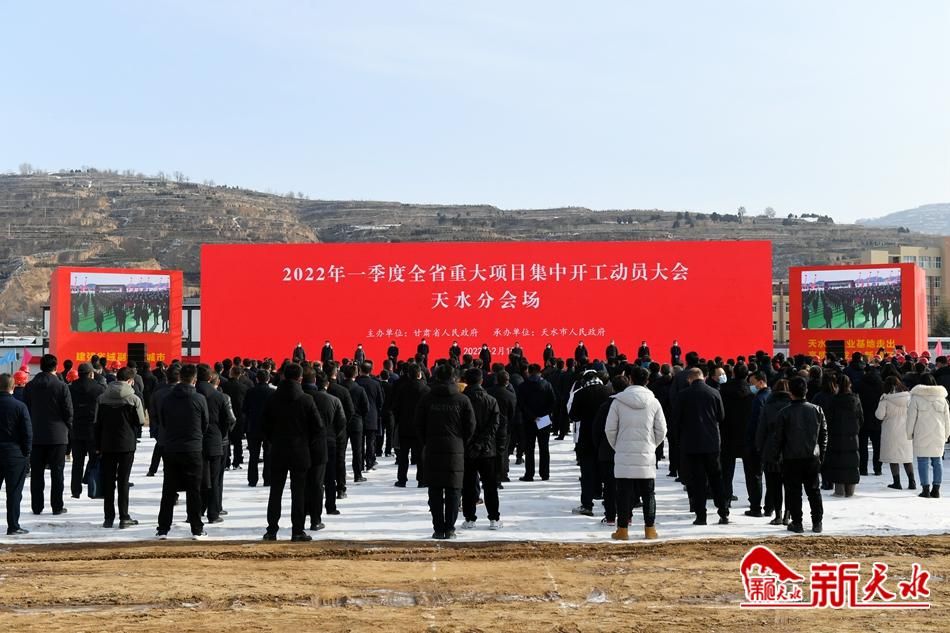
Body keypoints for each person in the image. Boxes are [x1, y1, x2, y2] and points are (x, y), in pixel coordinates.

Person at [262, 363, 323, 541]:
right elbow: (318, 427)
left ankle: (271, 530)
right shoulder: (306, 400)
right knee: (299, 493)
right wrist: (306, 441)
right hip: (300, 451)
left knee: (275, 492)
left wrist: (274, 440)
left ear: (283, 376)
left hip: (278, 450)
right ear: (300, 378)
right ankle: (297, 530)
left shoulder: (273, 398)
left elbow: (264, 425)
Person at [605, 366, 666, 540]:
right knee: (648, 494)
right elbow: (662, 430)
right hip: (646, 454)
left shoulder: (618, 401)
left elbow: (610, 429)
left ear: (630, 379)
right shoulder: (654, 402)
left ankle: (622, 530)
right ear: (647, 381)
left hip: (624, 453)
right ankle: (650, 529)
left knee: (623, 494)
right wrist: (652, 445)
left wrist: (618, 446)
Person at [415, 363, 476, 539]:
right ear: (454, 378)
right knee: (453, 491)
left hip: (433, 448)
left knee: (434, 490)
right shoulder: (462, 400)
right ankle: (449, 528)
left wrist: (426, 441)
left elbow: (418, 424)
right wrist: (461, 442)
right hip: (455, 449)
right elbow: (471, 426)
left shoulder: (427, 399)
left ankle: (438, 528)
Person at [672, 367, 729, 526]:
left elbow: (676, 420)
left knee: (697, 480)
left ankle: (701, 516)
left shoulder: (683, 395)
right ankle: (723, 512)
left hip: (691, 444)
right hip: (712, 442)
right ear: (703, 377)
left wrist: (679, 440)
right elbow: (721, 416)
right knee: (716, 478)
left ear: (689, 379)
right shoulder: (714, 393)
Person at [157, 364, 209, 539]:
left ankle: (163, 528)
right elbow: (205, 424)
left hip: (171, 448)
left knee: (168, 490)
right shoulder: (199, 399)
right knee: (194, 490)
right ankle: (197, 528)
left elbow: (163, 422)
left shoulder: (167, 398)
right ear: (194, 379)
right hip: (193, 448)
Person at [773, 377, 827, 534]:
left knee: (794, 492)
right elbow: (824, 434)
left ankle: (797, 522)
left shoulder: (784, 413)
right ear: (806, 391)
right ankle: (817, 522)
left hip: (791, 458)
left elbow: (778, 438)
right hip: (812, 456)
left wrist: (776, 456)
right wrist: (821, 454)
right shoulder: (817, 410)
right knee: (814, 491)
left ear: (790, 393)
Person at [94, 367, 145, 528]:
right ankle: (124, 517)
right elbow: (140, 421)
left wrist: (97, 445)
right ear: (130, 381)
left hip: (107, 444)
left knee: (108, 481)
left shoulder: (102, 398)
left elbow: (97, 423)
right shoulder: (134, 399)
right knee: (123, 481)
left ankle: (108, 518)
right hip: (126, 445)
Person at [24, 354, 73, 516]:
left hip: (36, 435)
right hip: (58, 436)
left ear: (40, 366)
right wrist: (68, 429)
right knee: (57, 473)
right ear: (55, 367)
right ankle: (57, 506)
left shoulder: (30, 386)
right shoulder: (61, 386)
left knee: (37, 474)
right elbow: (68, 412)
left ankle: (37, 506)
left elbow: (26, 410)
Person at [460, 368, 502, 530]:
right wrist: (482, 443)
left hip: (467, 449)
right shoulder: (491, 401)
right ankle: (494, 518)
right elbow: (494, 426)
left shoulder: (461, 400)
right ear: (481, 381)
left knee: (468, 485)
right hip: (487, 450)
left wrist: (472, 443)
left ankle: (470, 518)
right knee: (490, 486)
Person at [569, 369, 614, 516]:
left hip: (586, 437)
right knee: (607, 473)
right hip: (605, 437)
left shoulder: (580, 393)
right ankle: (609, 503)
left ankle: (587, 504)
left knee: (587, 473)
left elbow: (573, 416)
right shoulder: (609, 393)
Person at [196, 365, 233, 524]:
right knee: (214, 479)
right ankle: (213, 512)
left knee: (196, 480)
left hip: (195, 442)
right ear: (210, 378)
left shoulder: (193, 393)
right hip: (214, 440)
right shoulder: (219, 396)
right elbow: (229, 420)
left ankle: (196, 512)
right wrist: (221, 434)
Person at [906, 374, 950, 499]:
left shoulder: (916, 398)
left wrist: (909, 434)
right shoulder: (942, 399)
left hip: (921, 433)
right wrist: (946, 435)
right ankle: (936, 490)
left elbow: (911, 418)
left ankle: (925, 490)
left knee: (922, 461)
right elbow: (947, 420)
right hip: (938, 433)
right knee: (937, 461)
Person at [755, 379, 792, 526]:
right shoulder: (792, 405)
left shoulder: (768, 406)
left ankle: (778, 515)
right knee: (790, 485)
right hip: (790, 449)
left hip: (771, 448)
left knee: (774, 485)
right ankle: (788, 514)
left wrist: (760, 447)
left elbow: (761, 429)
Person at [0, 373, 32, 535]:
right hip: (15, 453)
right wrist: (26, 453)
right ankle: (13, 525)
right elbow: (27, 432)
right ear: (13, 387)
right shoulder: (20, 406)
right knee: (14, 492)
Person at [312, 369, 346, 517]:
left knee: (313, 477)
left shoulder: (308, 399)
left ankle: (311, 507)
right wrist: (335, 435)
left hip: (312, 441)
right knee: (330, 476)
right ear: (327, 385)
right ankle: (330, 506)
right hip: (330, 440)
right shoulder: (334, 400)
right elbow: (342, 421)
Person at [300, 368, 331, 531]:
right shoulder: (325, 398)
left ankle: (301, 516)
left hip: (299, 446)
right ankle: (315, 519)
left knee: (300, 483)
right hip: (319, 445)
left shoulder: (296, 398)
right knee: (317, 484)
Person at [68, 363, 105, 499]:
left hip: (76, 429)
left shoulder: (70, 388)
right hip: (93, 430)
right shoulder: (99, 388)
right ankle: (93, 488)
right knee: (95, 460)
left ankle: (75, 490)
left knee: (77, 462)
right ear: (91, 373)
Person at [719, 364, 753, 508]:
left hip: (727, 433)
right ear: (747, 375)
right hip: (747, 434)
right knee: (751, 471)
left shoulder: (723, 390)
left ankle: (726, 499)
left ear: (733, 373)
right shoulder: (751, 392)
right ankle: (754, 501)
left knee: (726, 470)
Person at [516, 364, 556, 482]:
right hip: (544, 419)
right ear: (540, 372)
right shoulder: (547, 384)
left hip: (529, 421)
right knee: (544, 447)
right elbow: (553, 402)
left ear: (529, 372)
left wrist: (532, 416)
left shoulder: (523, 386)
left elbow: (521, 404)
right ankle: (545, 473)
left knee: (529, 448)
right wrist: (544, 415)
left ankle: (529, 474)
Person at [392, 363, 430, 487]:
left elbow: (395, 407)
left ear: (408, 374)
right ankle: (422, 479)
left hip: (404, 425)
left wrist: (399, 420)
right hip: (421, 427)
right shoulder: (426, 389)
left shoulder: (402, 388)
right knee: (420, 455)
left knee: (403, 455)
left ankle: (402, 479)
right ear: (420, 374)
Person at [825, 375, 863, 497]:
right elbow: (861, 419)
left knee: (838, 463)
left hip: (836, 437)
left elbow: (828, 419)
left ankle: (839, 490)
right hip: (852, 437)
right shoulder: (855, 400)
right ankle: (850, 491)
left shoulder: (833, 401)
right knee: (852, 463)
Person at [875, 376, 915, 490]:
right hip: (905, 430)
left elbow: (879, 415)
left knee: (893, 458)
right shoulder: (909, 397)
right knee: (907, 458)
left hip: (891, 431)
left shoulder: (885, 399)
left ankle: (897, 482)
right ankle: (912, 482)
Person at [743, 371, 770, 517]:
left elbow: (755, 424)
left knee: (755, 476)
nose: (751, 386)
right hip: (770, 443)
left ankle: (755, 507)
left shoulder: (758, 399)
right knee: (770, 477)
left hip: (757, 443)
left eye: (752, 383)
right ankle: (770, 507)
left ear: (760, 382)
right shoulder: (771, 396)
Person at [147, 365, 180, 477]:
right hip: (179, 430)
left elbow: (153, 413)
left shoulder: (158, 393)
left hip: (162, 427)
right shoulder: (185, 393)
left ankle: (153, 469)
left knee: (160, 447)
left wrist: (157, 425)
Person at [243, 370, 273, 487]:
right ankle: (268, 479)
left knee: (253, 455)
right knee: (268, 454)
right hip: (268, 427)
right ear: (268, 379)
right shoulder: (272, 392)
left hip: (253, 426)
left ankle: (252, 479)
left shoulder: (250, 391)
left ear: (256, 379)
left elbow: (244, 409)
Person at [340, 364, 370, 483]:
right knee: (357, 450)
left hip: (342, 421)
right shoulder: (359, 389)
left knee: (341, 451)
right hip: (356, 421)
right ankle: (357, 474)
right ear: (356, 374)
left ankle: (340, 474)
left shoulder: (339, 388)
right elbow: (366, 407)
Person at [486, 370, 516, 487]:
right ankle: (498, 477)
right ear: (507, 381)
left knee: (489, 452)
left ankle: (489, 477)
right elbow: (512, 414)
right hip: (503, 426)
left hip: (489, 425)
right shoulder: (511, 395)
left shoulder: (488, 392)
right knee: (501, 452)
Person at [355, 362, 384, 472]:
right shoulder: (376, 384)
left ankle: (360, 464)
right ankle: (370, 463)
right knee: (371, 442)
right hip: (372, 415)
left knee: (359, 443)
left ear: (360, 370)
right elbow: (380, 401)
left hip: (358, 415)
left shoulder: (356, 383)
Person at [221, 366, 249, 470]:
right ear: (240, 374)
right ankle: (237, 462)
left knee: (226, 440)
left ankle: (226, 462)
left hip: (226, 415)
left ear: (231, 373)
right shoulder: (244, 387)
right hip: (239, 416)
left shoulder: (224, 385)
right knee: (238, 441)